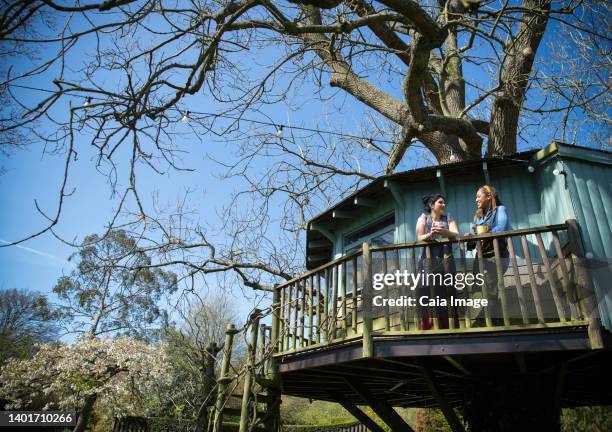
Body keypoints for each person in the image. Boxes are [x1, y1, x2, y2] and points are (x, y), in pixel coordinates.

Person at [465, 185, 509, 325]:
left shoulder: (500, 210)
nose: (476, 199)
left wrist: (483, 234)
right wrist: (470, 238)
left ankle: (494, 322)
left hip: (497, 255)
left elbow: (501, 227)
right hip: (481, 257)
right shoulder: (478, 216)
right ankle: (479, 321)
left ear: (489, 196)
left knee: (491, 288)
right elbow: (474, 237)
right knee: (477, 288)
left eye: (478, 196)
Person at [416, 194, 459, 329]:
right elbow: (419, 237)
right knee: (427, 296)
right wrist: (430, 234)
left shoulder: (448, 218)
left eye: (444, 203)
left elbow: (456, 234)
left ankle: (449, 327)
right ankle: (428, 329)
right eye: (441, 202)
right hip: (426, 263)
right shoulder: (424, 218)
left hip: (445, 261)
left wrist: (444, 231)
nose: (444, 205)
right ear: (431, 205)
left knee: (446, 294)